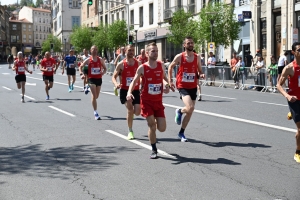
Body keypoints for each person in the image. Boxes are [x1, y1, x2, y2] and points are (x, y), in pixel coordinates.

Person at [127, 42, 171, 158]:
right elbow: (134, 81)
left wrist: (167, 86)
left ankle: (152, 122)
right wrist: (129, 92)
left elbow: (164, 79)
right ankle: (154, 149)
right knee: (152, 126)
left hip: (158, 101)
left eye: (157, 51)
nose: (156, 53)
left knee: (162, 128)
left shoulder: (161, 65)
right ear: (147, 53)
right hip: (146, 101)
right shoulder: (142, 68)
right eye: (153, 51)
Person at [168, 36, 205, 142]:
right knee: (190, 107)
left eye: (192, 43)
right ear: (184, 45)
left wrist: (201, 74)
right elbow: (170, 67)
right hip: (182, 86)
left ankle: (181, 133)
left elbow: (200, 70)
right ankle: (179, 111)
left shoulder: (197, 57)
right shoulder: (180, 57)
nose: (191, 45)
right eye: (188, 43)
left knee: (190, 111)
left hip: (193, 86)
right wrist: (170, 81)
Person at [277, 42, 300, 163]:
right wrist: (287, 96)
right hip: (294, 100)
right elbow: (278, 85)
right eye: (299, 50)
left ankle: (292, 114)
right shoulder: (289, 68)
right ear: (293, 52)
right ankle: (298, 152)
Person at [112, 44, 142, 140]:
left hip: (135, 90)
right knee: (130, 109)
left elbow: (142, 77)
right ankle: (130, 131)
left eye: (132, 50)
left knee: (137, 112)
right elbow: (113, 76)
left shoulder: (138, 64)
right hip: (125, 90)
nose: (131, 52)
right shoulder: (121, 64)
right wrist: (116, 84)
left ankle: (131, 116)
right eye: (129, 50)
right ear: (125, 51)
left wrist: (141, 83)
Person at [79, 45, 107, 120]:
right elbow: (80, 67)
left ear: (97, 51)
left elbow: (105, 68)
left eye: (95, 49)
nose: (94, 51)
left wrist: (103, 73)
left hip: (99, 79)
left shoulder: (100, 59)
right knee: (94, 96)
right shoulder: (88, 60)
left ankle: (87, 88)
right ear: (90, 51)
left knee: (96, 96)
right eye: (93, 49)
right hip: (91, 79)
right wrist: (81, 74)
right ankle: (95, 112)